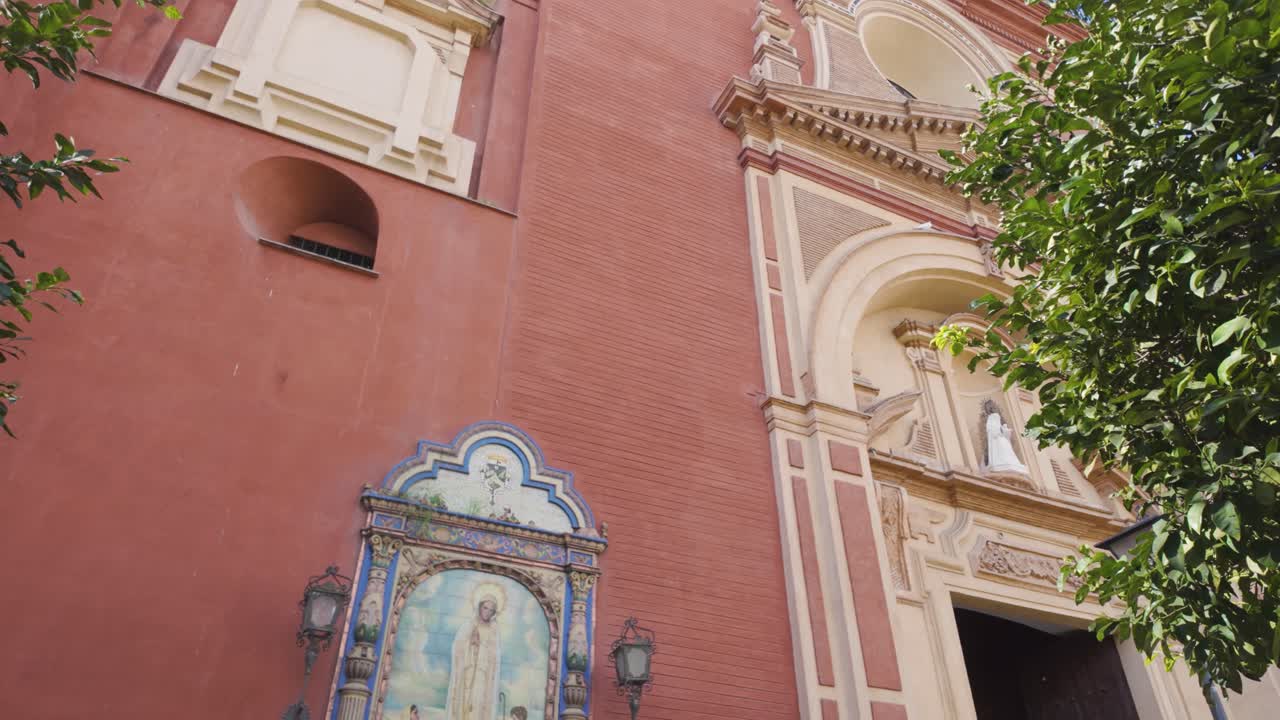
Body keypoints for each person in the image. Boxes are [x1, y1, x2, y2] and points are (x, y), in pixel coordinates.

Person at [444, 595, 502, 720]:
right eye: (485, 608)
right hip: (467, 670)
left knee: (477, 703)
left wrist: (480, 645)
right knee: (463, 700)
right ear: (480, 607)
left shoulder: (494, 630)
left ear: (494, 613)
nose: (487, 612)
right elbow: (457, 647)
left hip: (482, 674)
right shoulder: (468, 625)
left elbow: (494, 656)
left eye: (491, 610)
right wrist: (470, 643)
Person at [983, 399, 1028, 474]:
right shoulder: (994, 416)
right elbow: (995, 428)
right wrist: (1003, 430)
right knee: (1004, 450)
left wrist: (1003, 430)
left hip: (997, 438)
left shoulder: (993, 416)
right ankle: (1006, 463)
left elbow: (994, 428)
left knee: (1003, 450)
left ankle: (1004, 463)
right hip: (997, 437)